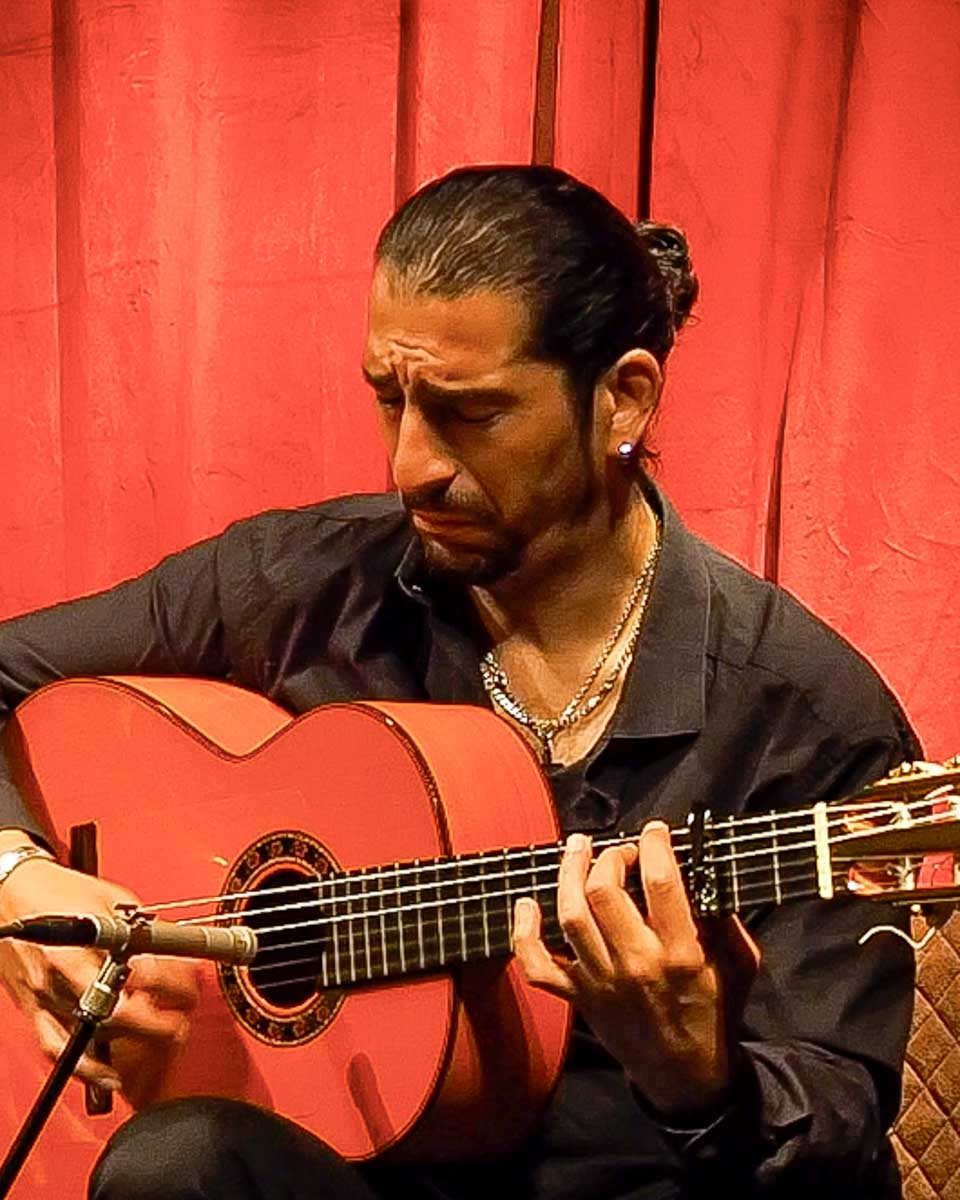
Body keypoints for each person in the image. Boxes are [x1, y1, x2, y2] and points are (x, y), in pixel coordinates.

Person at [0, 165, 919, 1199]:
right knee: (179, 1166)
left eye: (469, 414)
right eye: (390, 400)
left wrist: (694, 1076)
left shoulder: (803, 713)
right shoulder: (300, 585)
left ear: (622, 398)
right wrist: (17, 880)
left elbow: (839, 1141)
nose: (410, 466)